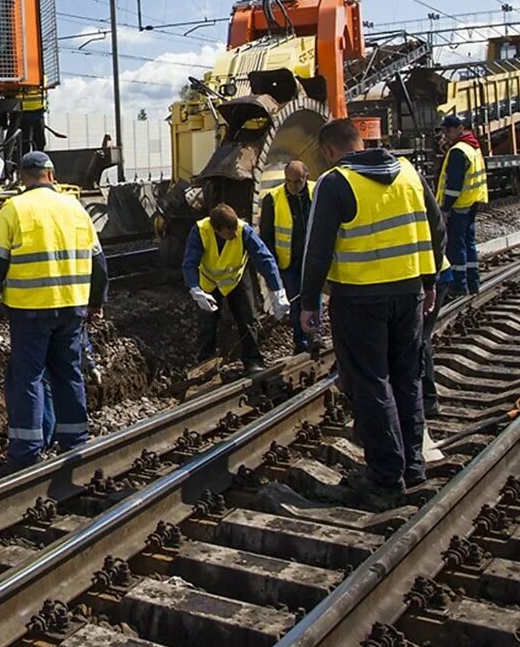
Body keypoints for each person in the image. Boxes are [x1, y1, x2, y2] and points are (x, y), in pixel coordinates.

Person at [296, 118, 445, 505]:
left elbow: (318, 249)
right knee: (407, 379)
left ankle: (385, 475)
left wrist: (309, 301)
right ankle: (413, 466)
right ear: (360, 142)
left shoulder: (335, 182)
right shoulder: (410, 173)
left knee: (370, 383)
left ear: (329, 151)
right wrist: (429, 282)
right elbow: (437, 228)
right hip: (409, 293)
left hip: (360, 299)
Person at [0, 152, 107, 467]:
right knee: (68, 373)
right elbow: (99, 263)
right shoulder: (76, 208)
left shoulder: (13, 210)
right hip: (72, 308)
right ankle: (75, 442)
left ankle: (26, 453)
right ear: (51, 175)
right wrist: (96, 303)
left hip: (30, 312)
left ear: (22, 178)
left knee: (29, 378)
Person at [183, 203, 288, 372]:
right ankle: (204, 365)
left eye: (234, 229)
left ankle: (253, 360)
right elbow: (189, 264)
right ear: (217, 229)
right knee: (207, 325)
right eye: (228, 231)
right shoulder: (200, 231)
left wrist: (277, 291)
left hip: (236, 279)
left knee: (248, 319)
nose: (234, 234)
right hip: (209, 283)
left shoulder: (243, 230)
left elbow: (264, 259)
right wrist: (195, 289)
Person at [258, 160, 315, 353]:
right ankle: (301, 341)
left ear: (306, 177)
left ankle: (314, 336)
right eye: (288, 182)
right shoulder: (273, 199)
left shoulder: (317, 192)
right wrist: (272, 267)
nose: (292, 187)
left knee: (312, 297)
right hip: (288, 261)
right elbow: (267, 235)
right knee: (296, 301)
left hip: (312, 259)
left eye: (297, 182)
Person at [435, 114, 488, 296]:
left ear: (459, 128)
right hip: (471, 202)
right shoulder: (472, 146)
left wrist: (445, 208)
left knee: (456, 246)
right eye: (445, 131)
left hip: (459, 205)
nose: (446, 135)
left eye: (448, 131)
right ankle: (473, 282)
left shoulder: (458, 151)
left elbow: (454, 186)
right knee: (468, 243)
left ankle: (459, 285)